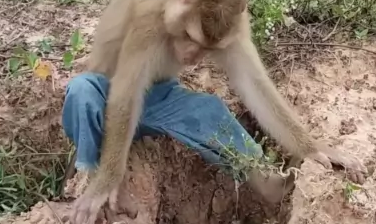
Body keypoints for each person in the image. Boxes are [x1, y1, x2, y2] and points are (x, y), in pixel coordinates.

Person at [62, 71, 264, 182]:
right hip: (111, 94)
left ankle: (258, 171)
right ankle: (84, 175)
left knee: (209, 108)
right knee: (82, 89)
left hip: (160, 98)